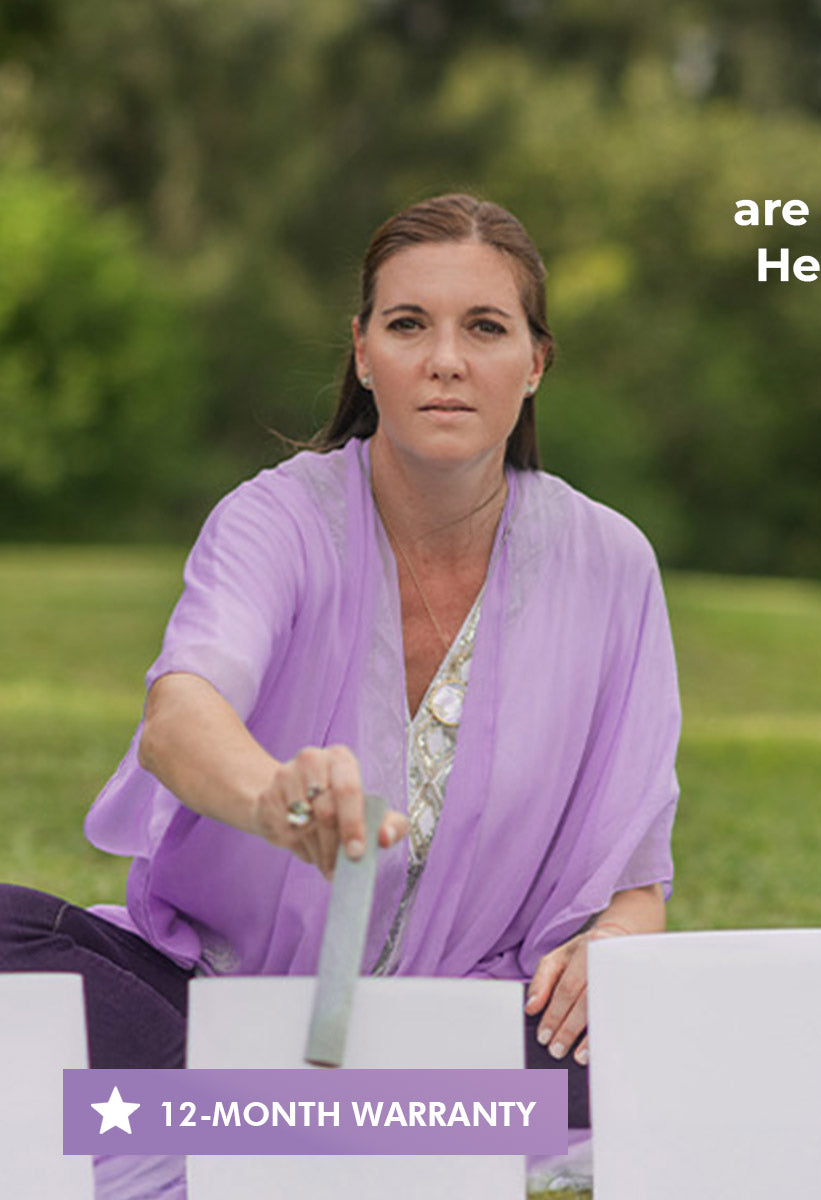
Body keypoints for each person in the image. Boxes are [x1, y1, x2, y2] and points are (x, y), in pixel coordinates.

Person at [0, 193, 680, 1194]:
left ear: (535, 362)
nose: (445, 360)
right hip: (213, 1007)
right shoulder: (276, 519)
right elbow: (180, 715)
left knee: (644, 1053)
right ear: (363, 352)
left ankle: (213, 1134)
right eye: (408, 325)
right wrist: (273, 797)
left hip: (468, 1035)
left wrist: (615, 947)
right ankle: (332, 1137)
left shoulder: (611, 565)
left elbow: (634, 863)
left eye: (485, 328)